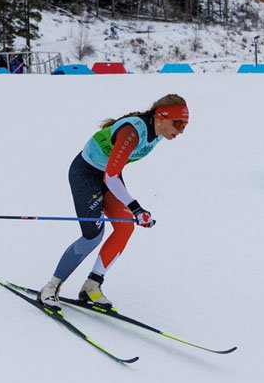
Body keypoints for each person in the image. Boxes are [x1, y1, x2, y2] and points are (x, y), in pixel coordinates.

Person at [38, 93, 190, 310]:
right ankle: (51, 287)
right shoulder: (132, 132)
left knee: (125, 226)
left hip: (108, 176)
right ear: (161, 116)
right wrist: (136, 208)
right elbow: (111, 175)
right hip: (86, 174)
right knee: (92, 236)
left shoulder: (158, 134)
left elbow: (112, 173)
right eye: (178, 124)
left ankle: (92, 285)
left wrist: (134, 210)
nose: (181, 131)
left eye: (185, 126)